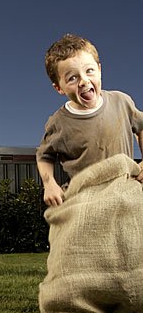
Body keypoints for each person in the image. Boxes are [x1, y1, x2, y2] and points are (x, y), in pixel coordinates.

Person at [36, 33, 143, 206]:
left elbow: (141, 126)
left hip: (124, 195)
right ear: (59, 88)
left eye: (89, 71)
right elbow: (44, 156)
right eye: (72, 78)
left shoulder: (121, 102)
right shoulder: (59, 123)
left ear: (99, 70)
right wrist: (49, 184)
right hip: (85, 202)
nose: (84, 81)